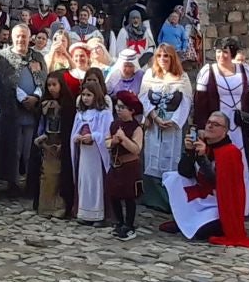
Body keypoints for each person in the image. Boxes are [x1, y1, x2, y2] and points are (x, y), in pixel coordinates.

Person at [163, 112, 249, 247]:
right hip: (202, 195)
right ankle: (185, 220)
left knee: (201, 232)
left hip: (219, 202)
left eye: (216, 125)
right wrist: (189, 152)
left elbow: (217, 182)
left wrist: (202, 158)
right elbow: (185, 172)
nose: (210, 126)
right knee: (175, 178)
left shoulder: (230, 152)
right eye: (209, 123)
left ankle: (193, 222)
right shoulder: (201, 143)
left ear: (224, 130)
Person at [0, 24, 44, 193]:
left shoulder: (37, 57)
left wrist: (36, 96)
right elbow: (1, 82)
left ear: (30, 38)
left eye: (24, 36)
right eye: (18, 36)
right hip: (10, 111)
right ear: (13, 38)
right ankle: (11, 182)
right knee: (13, 149)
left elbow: (43, 78)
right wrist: (20, 97)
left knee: (29, 150)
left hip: (32, 112)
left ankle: (29, 182)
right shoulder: (2, 57)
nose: (21, 39)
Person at [196, 39, 249, 172]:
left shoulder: (245, 71)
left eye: (225, 52)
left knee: (242, 163)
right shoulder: (207, 71)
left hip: (240, 126)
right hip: (216, 125)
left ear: (232, 53)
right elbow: (200, 104)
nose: (221, 55)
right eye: (218, 51)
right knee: (217, 162)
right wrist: (201, 126)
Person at [139, 44, 193, 196]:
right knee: (152, 154)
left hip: (172, 121)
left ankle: (171, 195)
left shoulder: (182, 76)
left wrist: (174, 121)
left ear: (172, 58)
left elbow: (186, 100)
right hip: (154, 120)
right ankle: (153, 195)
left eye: (166, 56)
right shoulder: (150, 74)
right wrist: (154, 117)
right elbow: (143, 96)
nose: (163, 59)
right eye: (159, 56)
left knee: (171, 155)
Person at [69, 79, 112, 224]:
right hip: (84, 154)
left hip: (97, 154)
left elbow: (107, 133)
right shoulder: (80, 114)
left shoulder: (104, 114)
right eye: (83, 95)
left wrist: (93, 136)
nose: (85, 98)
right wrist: (77, 137)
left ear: (96, 96)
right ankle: (84, 213)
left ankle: (98, 215)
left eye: (89, 95)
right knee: (84, 181)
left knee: (97, 182)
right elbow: (74, 132)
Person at [106, 92, 145, 239]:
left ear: (131, 110)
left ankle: (129, 225)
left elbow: (137, 149)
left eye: (122, 107)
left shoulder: (136, 128)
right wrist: (113, 141)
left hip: (130, 167)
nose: (118, 109)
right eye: (117, 106)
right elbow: (106, 142)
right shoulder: (114, 124)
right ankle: (119, 222)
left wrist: (123, 139)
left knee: (129, 197)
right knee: (113, 194)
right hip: (116, 165)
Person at [34, 71, 68, 217]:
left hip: (61, 143)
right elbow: (41, 123)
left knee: (60, 176)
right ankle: (45, 207)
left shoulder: (67, 104)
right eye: (49, 85)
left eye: (54, 85)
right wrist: (40, 137)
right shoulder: (44, 105)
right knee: (47, 176)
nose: (51, 88)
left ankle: (59, 207)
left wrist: (64, 143)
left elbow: (69, 125)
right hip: (48, 143)